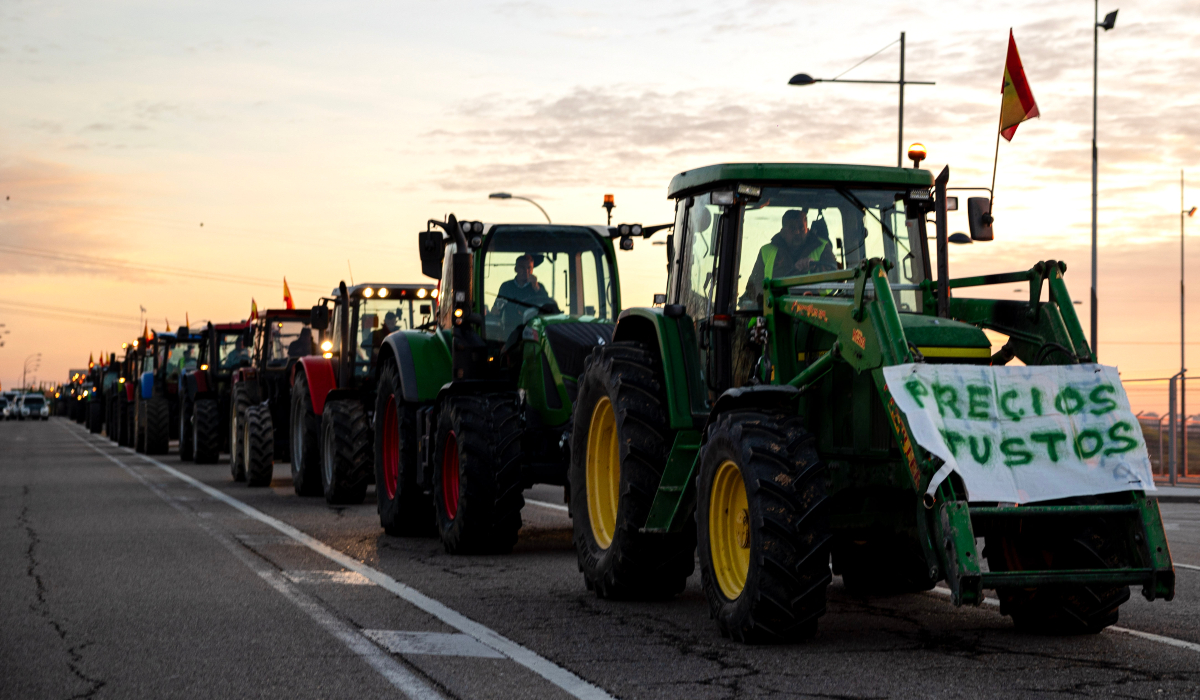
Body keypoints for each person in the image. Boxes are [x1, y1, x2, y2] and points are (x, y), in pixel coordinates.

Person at [740, 209, 838, 307]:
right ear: (782, 232)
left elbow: (835, 281)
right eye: (792, 228)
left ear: (807, 230)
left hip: (816, 313)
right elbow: (754, 287)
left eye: (801, 227)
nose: (797, 232)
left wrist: (815, 268)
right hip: (775, 312)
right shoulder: (766, 251)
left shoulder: (823, 247)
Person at [491, 254, 551, 335]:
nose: (526, 271)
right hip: (511, 331)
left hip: (533, 331)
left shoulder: (538, 287)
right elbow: (497, 309)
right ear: (516, 269)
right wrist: (495, 311)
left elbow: (547, 307)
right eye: (522, 268)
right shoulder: (506, 287)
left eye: (529, 268)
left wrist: (536, 287)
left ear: (532, 269)